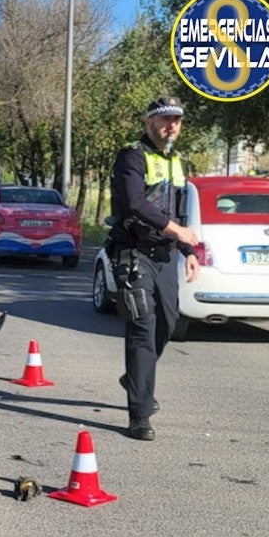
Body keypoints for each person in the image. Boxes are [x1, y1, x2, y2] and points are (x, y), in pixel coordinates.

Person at [106, 96, 200, 441]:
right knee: (143, 327)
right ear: (148, 123)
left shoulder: (177, 162)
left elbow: (180, 212)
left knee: (168, 323)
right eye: (164, 119)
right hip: (133, 252)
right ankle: (140, 414)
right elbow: (135, 202)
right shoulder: (132, 156)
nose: (170, 125)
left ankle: (136, 377)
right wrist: (177, 231)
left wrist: (189, 249)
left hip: (165, 255)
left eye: (176, 119)